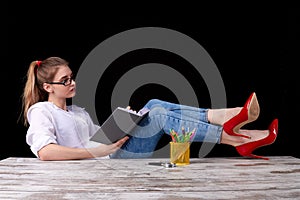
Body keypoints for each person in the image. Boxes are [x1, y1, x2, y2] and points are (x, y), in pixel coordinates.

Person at [20, 56, 278, 161]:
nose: (72, 83)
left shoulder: (77, 112)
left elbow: (100, 133)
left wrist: (127, 119)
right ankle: (233, 136)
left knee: (152, 105)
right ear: (47, 87)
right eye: (65, 81)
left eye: (72, 76)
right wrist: (98, 150)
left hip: (111, 150)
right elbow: (46, 152)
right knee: (157, 114)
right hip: (106, 162)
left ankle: (224, 120)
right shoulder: (41, 111)